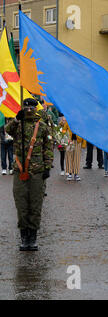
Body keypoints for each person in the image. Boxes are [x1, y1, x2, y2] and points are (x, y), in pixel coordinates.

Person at [6, 98, 53, 251]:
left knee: (35, 204)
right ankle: (24, 236)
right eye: (26, 108)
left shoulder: (42, 126)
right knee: (21, 204)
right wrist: (16, 119)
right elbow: (7, 130)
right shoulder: (18, 124)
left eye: (31, 108)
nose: (29, 111)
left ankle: (32, 237)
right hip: (20, 171)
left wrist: (47, 167)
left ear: (35, 108)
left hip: (37, 171)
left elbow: (48, 147)